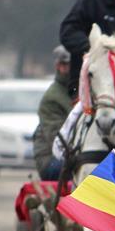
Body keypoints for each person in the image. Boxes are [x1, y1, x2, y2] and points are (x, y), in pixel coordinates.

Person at [32, 45, 73, 180]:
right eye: (68, 64)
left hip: (73, 156)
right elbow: (59, 142)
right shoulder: (52, 98)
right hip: (51, 160)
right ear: (59, 66)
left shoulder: (82, 91)